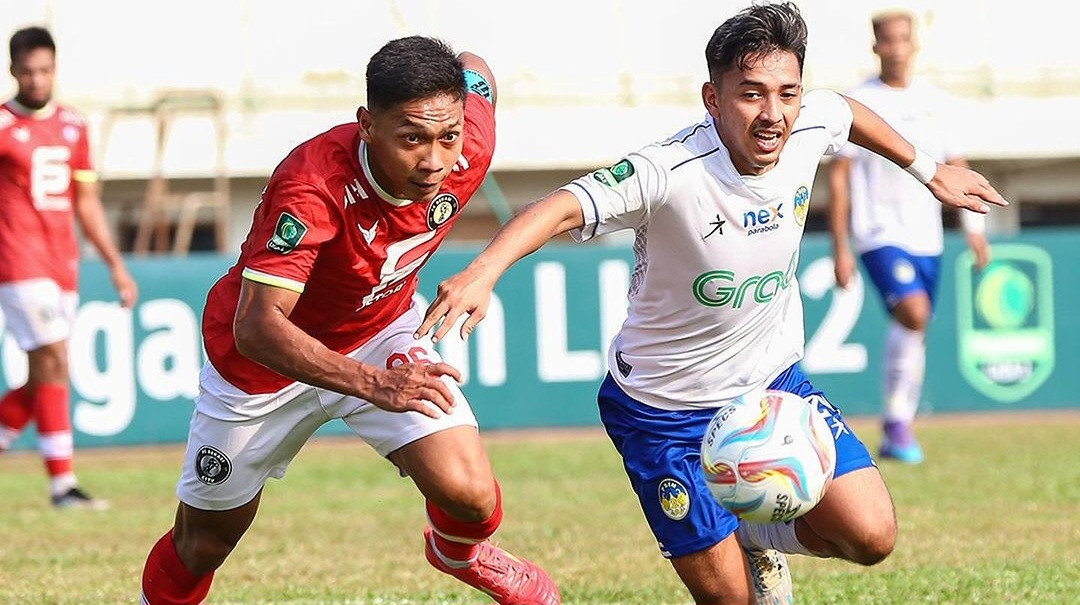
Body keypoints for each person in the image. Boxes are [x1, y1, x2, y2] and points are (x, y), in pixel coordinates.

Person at [417, 4, 1006, 604]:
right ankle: (730, 537)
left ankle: (752, 530)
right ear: (713, 98)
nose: (773, 115)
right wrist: (481, 273)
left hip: (772, 387)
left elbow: (846, 113)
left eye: (787, 93)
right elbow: (561, 205)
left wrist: (928, 171)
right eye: (751, 94)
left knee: (872, 535)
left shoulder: (810, 119)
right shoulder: (668, 170)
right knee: (731, 602)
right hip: (661, 410)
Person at [138, 36, 559, 605]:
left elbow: (475, 67)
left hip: (379, 333)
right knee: (203, 544)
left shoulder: (467, 142)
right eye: (412, 138)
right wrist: (373, 384)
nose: (435, 160)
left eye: (447, 135)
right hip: (261, 366)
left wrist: (480, 274)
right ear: (367, 124)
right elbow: (257, 326)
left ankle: (457, 553)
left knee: (470, 494)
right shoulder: (311, 186)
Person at [827, 10, 991, 465]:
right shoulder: (859, 102)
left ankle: (898, 424)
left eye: (904, 38)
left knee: (915, 326)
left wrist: (974, 228)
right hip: (878, 232)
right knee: (913, 313)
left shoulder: (937, 102)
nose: (896, 47)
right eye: (887, 39)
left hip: (928, 236)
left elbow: (957, 166)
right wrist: (840, 245)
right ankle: (898, 421)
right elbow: (839, 178)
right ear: (875, 46)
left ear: (914, 44)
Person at [0, 26, 137, 509]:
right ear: (13, 69)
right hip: (17, 262)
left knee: (46, 373)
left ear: (54, 69)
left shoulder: (74, 125)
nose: (37, 79)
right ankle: (63, 486)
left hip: (62, 264)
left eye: (45, 70)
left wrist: (116, 265)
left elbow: (87, 203)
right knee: (55, 358)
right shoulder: (1, 123)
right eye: (28, 70)